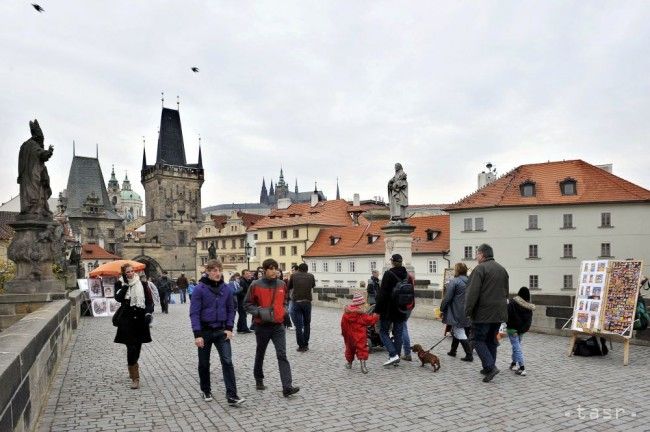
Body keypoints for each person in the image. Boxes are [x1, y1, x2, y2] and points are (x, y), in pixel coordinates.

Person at [189, 259, 245, 405]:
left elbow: (231, 309)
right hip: (205, 331)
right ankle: (206, 389)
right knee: (204, 363)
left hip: (221, 331)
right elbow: (194, 313)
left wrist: (229, 328)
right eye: (214, 270)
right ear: (207, 272)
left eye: (219, 270)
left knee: (227, 362)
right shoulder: (199, 289)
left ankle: (232, 395)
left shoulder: (226, 289)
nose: (217, 273)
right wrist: (197, 334)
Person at [244, 259, 300, 397]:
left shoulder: (281, 284)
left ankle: (287, 387)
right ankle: (259, 378)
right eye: (271, 268)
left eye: (276, 268)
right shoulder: (255, 284)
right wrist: (259, 312)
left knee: (282, 355)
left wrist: (284, 309)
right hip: (262, 326)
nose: (274, 271)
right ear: (264, 270)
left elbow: (286, 299)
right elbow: (247, 304)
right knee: (260, 352)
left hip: (278, 326)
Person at [465, 243, 509, 383]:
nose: (476, 256)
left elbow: (472, 293)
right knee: (491, 340)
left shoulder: (480, 269)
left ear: (482, 254)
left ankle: (490, 366)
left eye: (477, 253)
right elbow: (506, 292)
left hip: (483, 313)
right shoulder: (502, 269)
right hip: (499, 312)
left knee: (478, 340)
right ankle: (488, 367)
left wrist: (468, 311)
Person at [113, 264, 154, 389]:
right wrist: (126, 285)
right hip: (127, 320)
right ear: (124, 274)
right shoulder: (120, 284)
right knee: (131, 347)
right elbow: (118, 298)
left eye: (131, 271)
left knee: (137, 347)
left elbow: (149, 301)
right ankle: (135, 378)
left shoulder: (142, 283)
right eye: (127, 272)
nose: (130, 274)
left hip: (140, 319)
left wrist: (148, 313)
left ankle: (132, 366)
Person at [375, 254, 414, 366]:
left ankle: (393, 355)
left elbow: (382, 294)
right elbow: (411, 293)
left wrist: (377, 310)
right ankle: (395, 359)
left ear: (392, 262)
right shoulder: (407, 275)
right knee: (398, 334)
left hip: (388, 310)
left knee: (383, 332)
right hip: (401, 309)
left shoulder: (388, 274)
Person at [17, 119, 54, 217]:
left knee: (32, 192)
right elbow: (41, 154)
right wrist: (49, 152)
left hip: (26, 175)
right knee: (37, 191)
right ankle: (37, 209)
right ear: (38, 137)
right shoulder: (33, 145)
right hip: (33, 174)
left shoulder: (25, 146)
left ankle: (35, 209)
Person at [440, 263, 473, 361]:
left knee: (459, 331)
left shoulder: (455, 281)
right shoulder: (470, 281)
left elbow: (447, 298)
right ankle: (453, 350)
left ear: (457, 270)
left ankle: (469, 355)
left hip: (457, 311)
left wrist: (442, 308)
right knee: (457, 330)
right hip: (468, 310)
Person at [341, 293, 379, 374]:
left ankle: (349, 363)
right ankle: (363, 366)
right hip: (359, 336)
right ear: (360, 304)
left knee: (349, 349)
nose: (365, 305)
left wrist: (344, 334)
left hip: (349, 336)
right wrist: (376, 315)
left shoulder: (346, 314)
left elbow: (343, 325)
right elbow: (370, 320)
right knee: (362, 349)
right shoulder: (361, 315)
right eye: (363, 303)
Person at [506, 287, 535, 376]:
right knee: (516, 347)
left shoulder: (512, 303)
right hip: (521, 330)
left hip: (512, 329)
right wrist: (522, 330)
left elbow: (507, 316)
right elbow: (528, 321)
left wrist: (509, 327)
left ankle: (522, 368)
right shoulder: (529, 307)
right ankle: (513, 364)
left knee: (517, 348)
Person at [289, 263, 315, 352]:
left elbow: (289, 286)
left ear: (299, 269)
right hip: (307, 302)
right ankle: (306, 344)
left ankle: (301, 346)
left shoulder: (293, 276)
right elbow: (313, 285)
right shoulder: (311, 276)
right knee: (307, 324)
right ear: (307, 270)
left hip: (297, 302)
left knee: (299, 325)